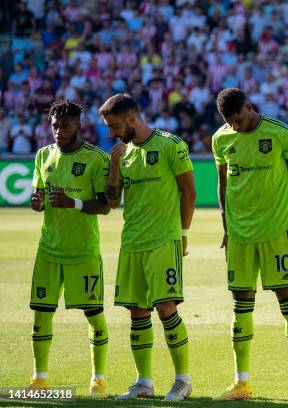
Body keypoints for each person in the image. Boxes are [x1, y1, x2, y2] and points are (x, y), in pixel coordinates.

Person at [211, 88, 288, 402]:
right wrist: (226, 226)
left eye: (238, 119)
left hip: (275, 232)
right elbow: (222, 184)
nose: (236, 127)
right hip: (240, 236)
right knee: (241, 307)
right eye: (230, 122)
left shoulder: (281, 133)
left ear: (249, 107)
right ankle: (241, 383)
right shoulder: (221, 138)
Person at [100, 93, 196, 401]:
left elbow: (189, 192)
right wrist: (114, 166)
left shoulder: (170, 145)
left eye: (114, 126)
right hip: (132, 242)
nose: (111, 133)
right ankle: (144, 382)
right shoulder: (122, 154)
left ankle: (183, 380)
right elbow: (112, 202)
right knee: (137, 312)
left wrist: (182, 233)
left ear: (132, 119)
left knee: (166, 308)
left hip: (162, 240)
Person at [29, 99, 110, 398]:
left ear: (79, 126)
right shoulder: (43, 156)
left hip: (83, 251)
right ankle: (39, 379)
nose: (58, 132)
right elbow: (39, 195)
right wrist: (36, 203)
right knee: (41, 314)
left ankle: (98, 379)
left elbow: (104, 206)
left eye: (64, 126)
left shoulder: (96, 159)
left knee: (93, 313)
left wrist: (73, 203)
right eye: (54, 126)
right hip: (48, 250)